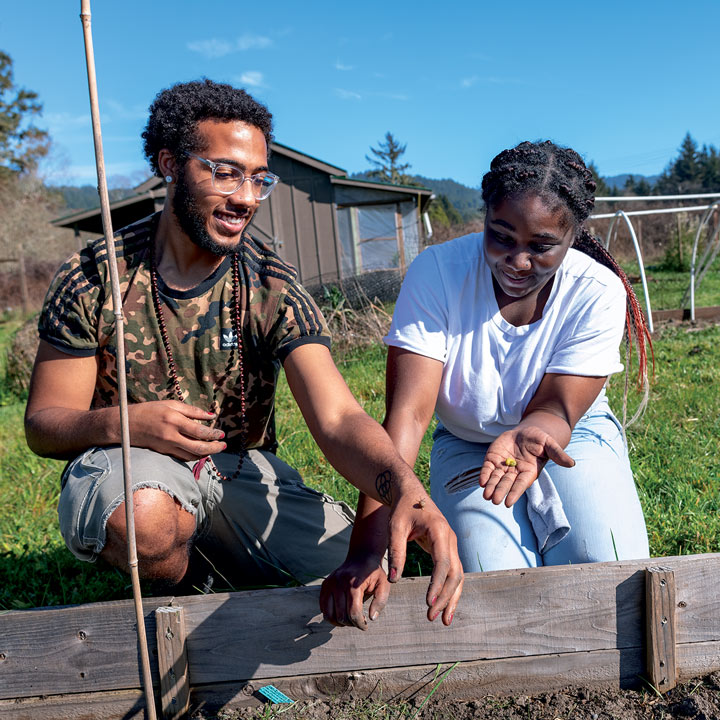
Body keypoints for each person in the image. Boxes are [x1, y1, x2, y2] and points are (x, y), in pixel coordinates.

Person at [25, 79, 463, 627]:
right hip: (131, 468)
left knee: (379, 580)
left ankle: (219, 555)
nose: (247, 198)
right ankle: (186, 581)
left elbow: (338, 417)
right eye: (225, 173)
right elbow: (44, 424)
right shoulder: (94, 277)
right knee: (145, 520)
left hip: (238, 472)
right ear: (169, 164)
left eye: (259, 179)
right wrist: (127, 423)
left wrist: (407, 493)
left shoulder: (272, 284)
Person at [321, 140, 651, 624]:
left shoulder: (597, 289)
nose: (518, 262)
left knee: (609, 571)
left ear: (573, 235)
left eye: (541, 247)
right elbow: (408, 416)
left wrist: (529, 436)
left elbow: (559, 408)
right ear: (485, 220)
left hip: (569, 437)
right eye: (501, 237)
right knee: (493, 587)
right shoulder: (438, 274)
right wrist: (367, 545)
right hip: (469, 443)